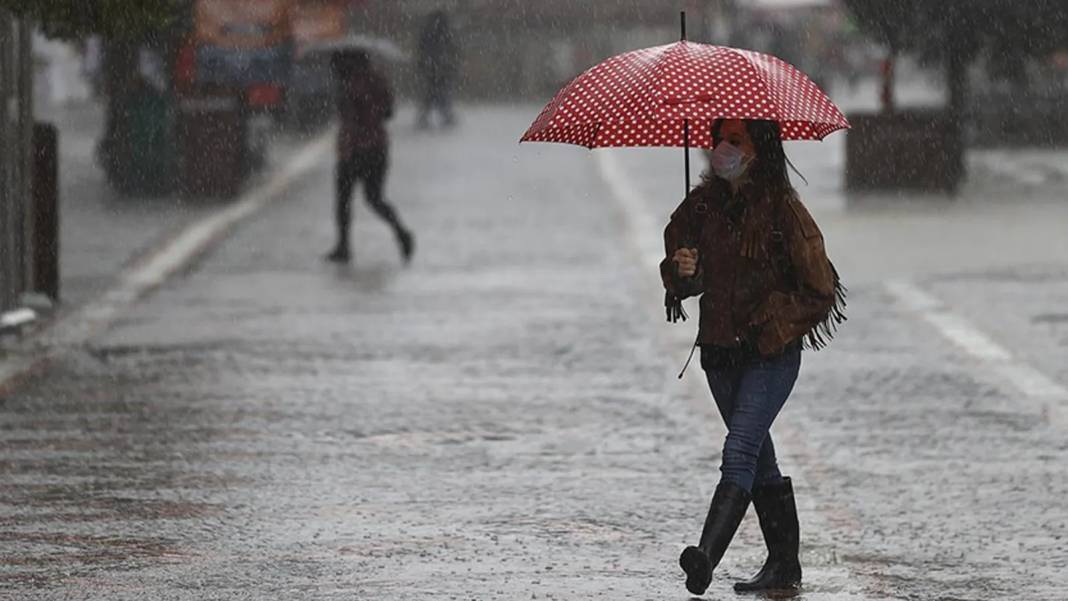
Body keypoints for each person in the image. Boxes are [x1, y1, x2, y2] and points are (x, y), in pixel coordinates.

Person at [662, 119, 845, 595]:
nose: (723, 149)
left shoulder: (784, 211)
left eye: (736, 140)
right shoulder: (700, 208)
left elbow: (821, 289)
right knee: (758, 458)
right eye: (719, 139)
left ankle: (704, 557)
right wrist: (683, 271)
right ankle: (784, 565)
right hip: (719, 357)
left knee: (739, 449)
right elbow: (687, 278)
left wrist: (773, 321)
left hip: (769, 356)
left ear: (759, 150)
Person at [326, 50, 414, 264]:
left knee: (343, 200)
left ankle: (344, 246)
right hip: (378, 148)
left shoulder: (347, 84)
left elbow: (347, 115)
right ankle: (401, 231)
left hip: (353, 149)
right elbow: (389, 113)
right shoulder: (378, 79)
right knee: (375, 198)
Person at [416, 9, 458, 129]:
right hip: (442, 69)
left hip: (430, 69)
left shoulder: (428, 32)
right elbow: (452, 49)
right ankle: (445, 115)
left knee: (430, 94)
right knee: (442, 94)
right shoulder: (445, 32)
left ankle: (424, 117)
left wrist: (424, 64)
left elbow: (422, 48)